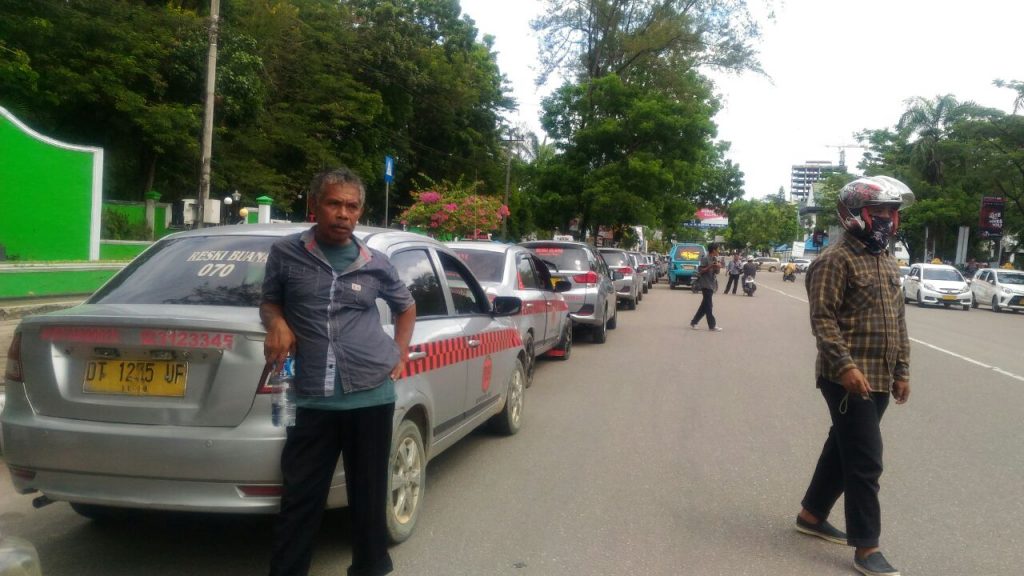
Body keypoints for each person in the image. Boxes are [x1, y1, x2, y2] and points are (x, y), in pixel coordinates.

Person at [262, 167, 417, 576]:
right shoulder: (285, 254)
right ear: (314, 206)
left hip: (370, 393)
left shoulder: (375, 262)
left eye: (351, 206)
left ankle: (369, 568)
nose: (342, 214)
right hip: (312, 396)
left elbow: (406, 305)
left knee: (367, 497)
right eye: (334, 203)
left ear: (360, 212)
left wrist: (399, 354)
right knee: (300, 499)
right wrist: (276, 322)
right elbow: (270, 300)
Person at [796, 176, 913, 576]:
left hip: (880, 375)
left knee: (841, 446)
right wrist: (845, 366)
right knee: (865, 461)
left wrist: (902, 370)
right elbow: (823, 319)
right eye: (878, 211)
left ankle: (811, 516)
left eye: (891, 212)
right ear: (853, 214)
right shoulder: (834, 259)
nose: (886, 219)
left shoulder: (884, 258)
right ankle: (867, 548)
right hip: (845, 377)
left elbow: (898, 319)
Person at [689, 243, 722, 330]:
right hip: (705, 284)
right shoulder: (705, 258)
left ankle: (694, 322)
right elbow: (701, 271)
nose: (718, 251)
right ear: (714, 250)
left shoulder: (714, 258)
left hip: (711, 284)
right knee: (709, 306)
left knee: (704, 306)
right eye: (718, 249)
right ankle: (712, 325)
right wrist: (711, 265)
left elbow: (716, 272)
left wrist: (718, 267)